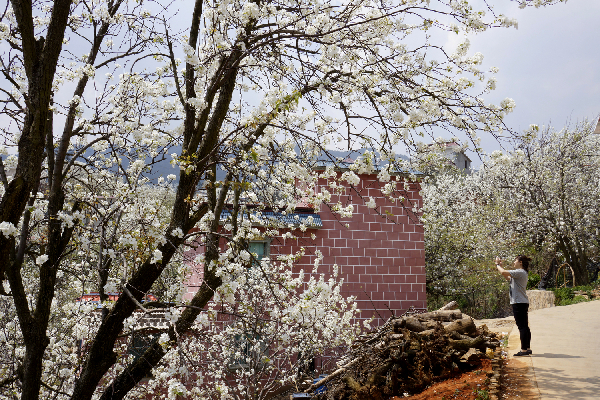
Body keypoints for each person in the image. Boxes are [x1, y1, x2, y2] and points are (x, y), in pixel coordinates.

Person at [495, 255, 532, 356]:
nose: (514, 262)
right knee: (525, 326)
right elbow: (507, 277)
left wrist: (497, 265)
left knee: (522, 327)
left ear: (520, 262)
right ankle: (527, 348)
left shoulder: (520, 272)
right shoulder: (521, 273)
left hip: (518, 303)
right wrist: (501, 265)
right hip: (522, 302)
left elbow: (503, 272)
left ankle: (524, 350)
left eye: (515, 260)